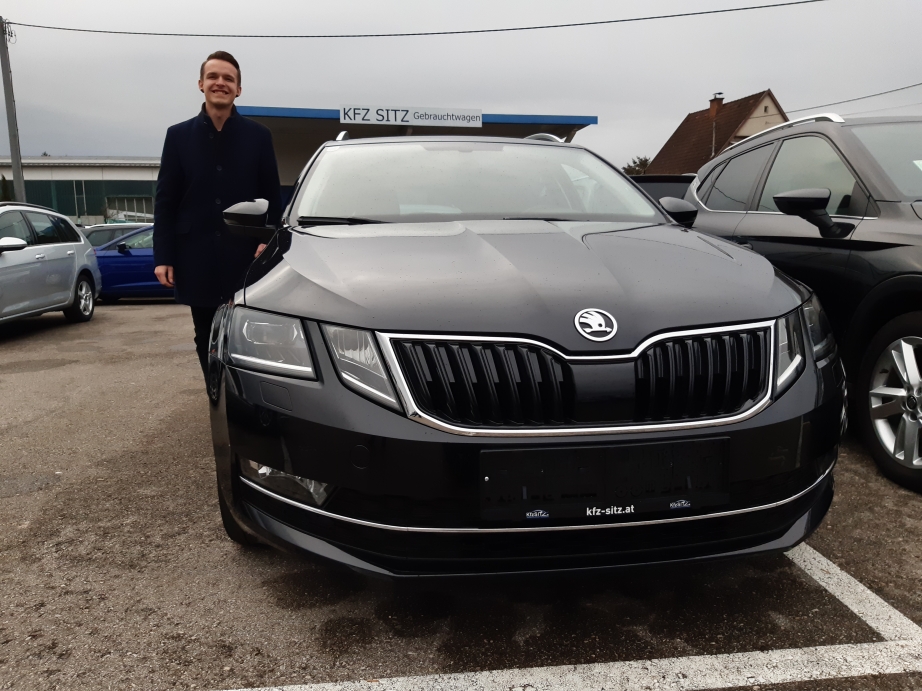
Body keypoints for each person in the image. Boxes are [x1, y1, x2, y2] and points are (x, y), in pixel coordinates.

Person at [153, 50, 281, 381]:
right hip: (195, 253)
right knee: (206, 334)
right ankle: (216, 392)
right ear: (201, 84)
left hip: (246, 255)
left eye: (228, 78)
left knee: (249, 332)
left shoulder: (259, 136)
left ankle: (248, 398)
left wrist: (267, 240)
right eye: (213, 76)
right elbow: (165, 201)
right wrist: (163, 256)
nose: (220, 83)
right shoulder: (178, 136)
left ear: (238, 89)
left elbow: (272, 196)